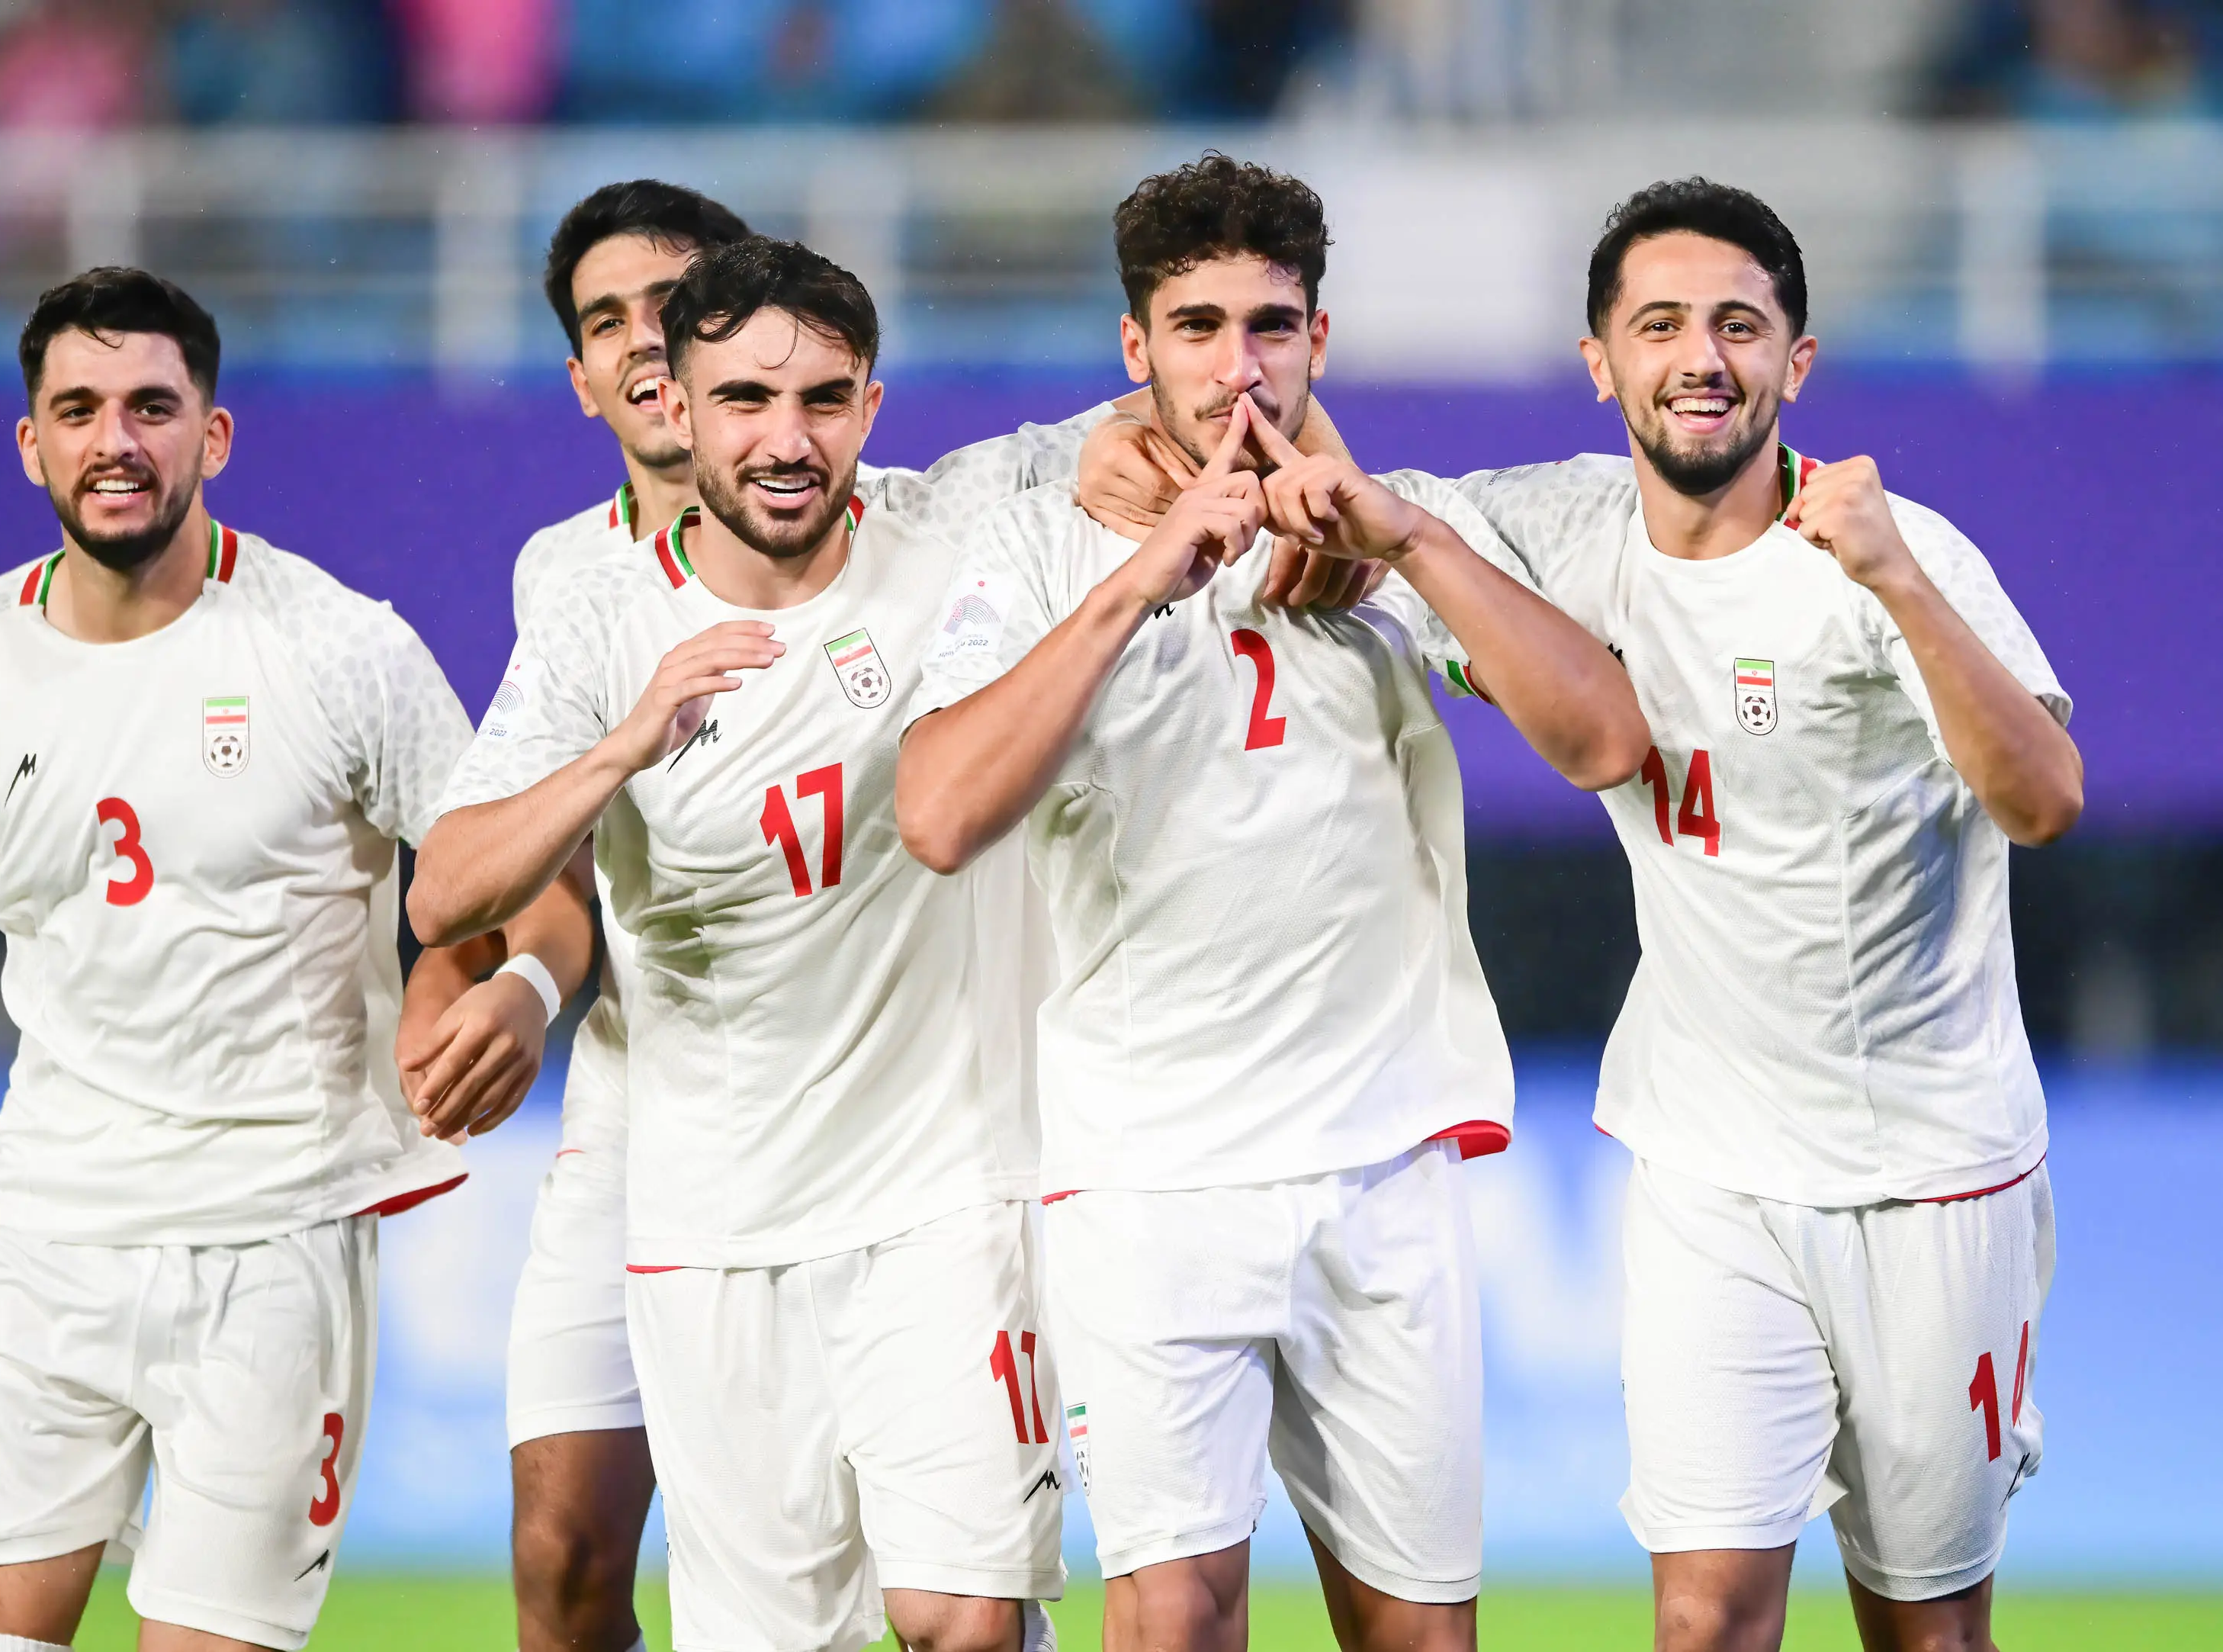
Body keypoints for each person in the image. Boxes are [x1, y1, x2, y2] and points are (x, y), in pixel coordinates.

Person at [893, 155, 1650, 1652]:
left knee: (1421, 1637)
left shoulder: (1393, 532)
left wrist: (1404, 544)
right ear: (1133, 351)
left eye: (1268, 325)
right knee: (1175, 1625)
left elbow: (1603, 741)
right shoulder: (1045, 543)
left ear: (1319, 339)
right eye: (1193, 327)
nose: (1234, 367)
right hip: (1145, 1177)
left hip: (1379, 1170)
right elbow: (936, 811)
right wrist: (1137, 582)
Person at [0, 266, 577, 1652]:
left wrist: (500, 980)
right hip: (47, 1224)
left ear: (213, 435)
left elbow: (517, 880)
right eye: (77, 409)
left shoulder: (339, 647)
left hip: (274, 1232)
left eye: (152, 405)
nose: (115, 440)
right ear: (30, 443)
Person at [499, 175, 1142, 1652]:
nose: (652, 351)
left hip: (925, 1155)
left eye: (676, 311)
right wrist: (520, 973)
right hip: (669, 1127)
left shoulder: (937, 522)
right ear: (607, 377)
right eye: (615, 327)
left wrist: (1145, 457)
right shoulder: (578, 587)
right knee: (572, 1545)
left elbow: (1106, 434)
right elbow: (490, 866)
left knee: (956, 1606)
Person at [1442, 178, 2080, 1652]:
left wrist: (1898, 583)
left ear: (1797, 360)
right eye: (1657, 324)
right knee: (1705, 1617)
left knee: (1926, 1626)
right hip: (1706, 1166)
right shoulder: (1557, 528)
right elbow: (1377, 503)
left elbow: (2043, 799)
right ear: (1599, 359)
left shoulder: (1891, 551)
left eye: (1740, 324)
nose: (1699, 356)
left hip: (1932, 1172)